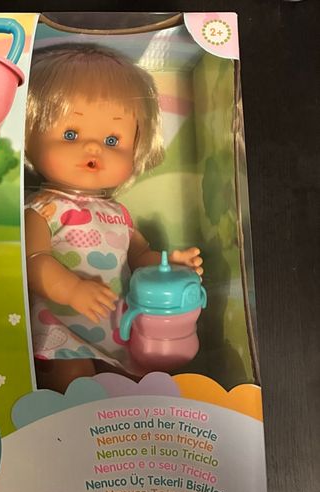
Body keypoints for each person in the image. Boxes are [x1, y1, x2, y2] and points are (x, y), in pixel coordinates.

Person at [24, 44, 203, 393]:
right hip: (60, 323)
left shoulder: (117, 213)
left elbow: (139, 257)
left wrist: (168, 265)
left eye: (112, 140)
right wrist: (72, 289)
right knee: (72, 377)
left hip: (114, 326)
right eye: (71, 135)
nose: (93, 148)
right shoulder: (42, 209)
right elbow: (33, 260)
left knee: (132, 383)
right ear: (30, 136)